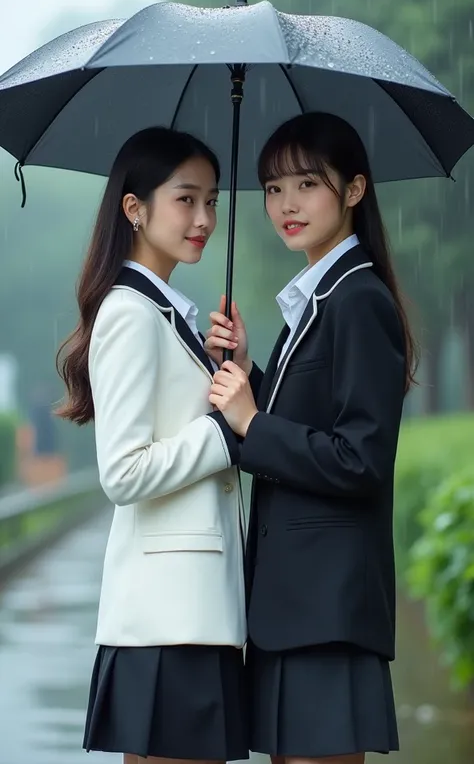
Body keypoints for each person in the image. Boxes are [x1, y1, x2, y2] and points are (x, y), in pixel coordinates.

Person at [205, 112, 418, 764]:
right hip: (292, 608)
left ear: (354, 191)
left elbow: (359, 460)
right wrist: (251, 372)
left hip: (325, 610)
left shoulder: (358, 300)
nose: (285, 204)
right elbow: (316, 422)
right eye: (272, 188)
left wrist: (250, 420)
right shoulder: (320, 297)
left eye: (306, 184)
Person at [56, 127, 248, 764]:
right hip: (168, 617)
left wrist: (230, 372)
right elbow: (122, 472)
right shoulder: (130, 313)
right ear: (134, 208)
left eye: (212, 201)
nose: (204, 219)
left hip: (192, 611)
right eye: (185, 200)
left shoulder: (169, 314)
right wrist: (224, 430)